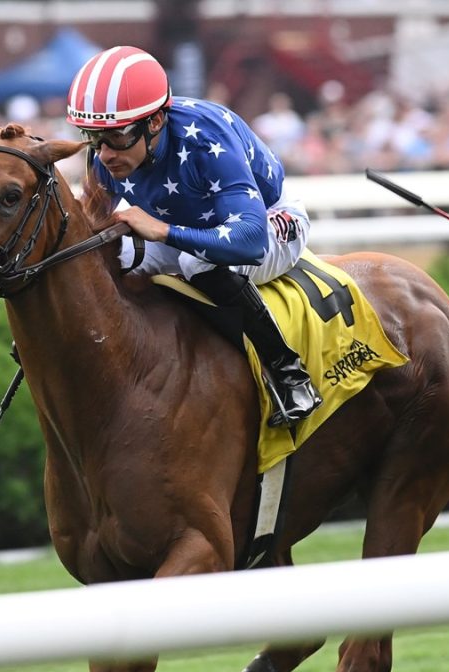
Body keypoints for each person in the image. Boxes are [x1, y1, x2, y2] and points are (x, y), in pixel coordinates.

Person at [65, 45, 322, 427]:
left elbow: (250, 241)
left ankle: (289, 374)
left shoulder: (205, 141)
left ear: (154, 123)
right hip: (190, 226)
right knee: (108, 257)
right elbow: (89, 235)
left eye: (116, 138)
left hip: (269, 220)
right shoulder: (106, 154)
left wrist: (164, 231)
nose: (103, 155)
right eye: (92, 137)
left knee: (195, 261)